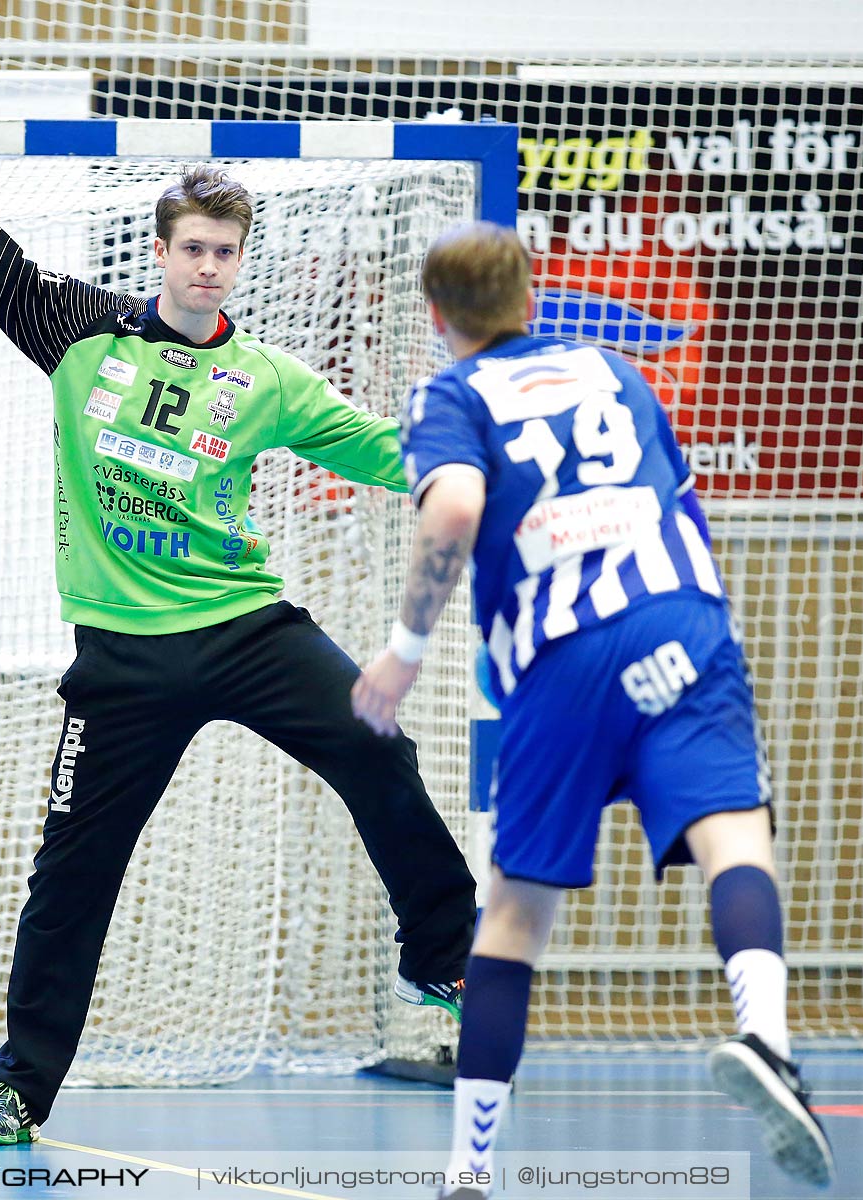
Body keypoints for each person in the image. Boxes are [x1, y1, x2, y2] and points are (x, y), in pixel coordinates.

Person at [0, 52, 479, 1145]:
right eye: (193, 250)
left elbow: (392, 453)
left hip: (247, 630)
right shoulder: (73, 328)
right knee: (72, 873)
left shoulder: (272, 382)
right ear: (160, 254)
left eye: (226, 254)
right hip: (123, 657)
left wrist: (488, 455)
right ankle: (19, 1087)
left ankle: (444, 963)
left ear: (242, 263)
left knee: (376, 745)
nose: (209, 268)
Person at [350, 222, 833, 1197]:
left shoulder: (451, 392)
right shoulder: (617, 370)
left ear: (439, 318)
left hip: (562, 656)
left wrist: (402, 654)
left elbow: (450, 511)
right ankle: (769, 1042)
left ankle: (470, 1172)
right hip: (682, 623)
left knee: (517, 918)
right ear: (532, 300)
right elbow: (675, 500)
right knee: (734, 839)